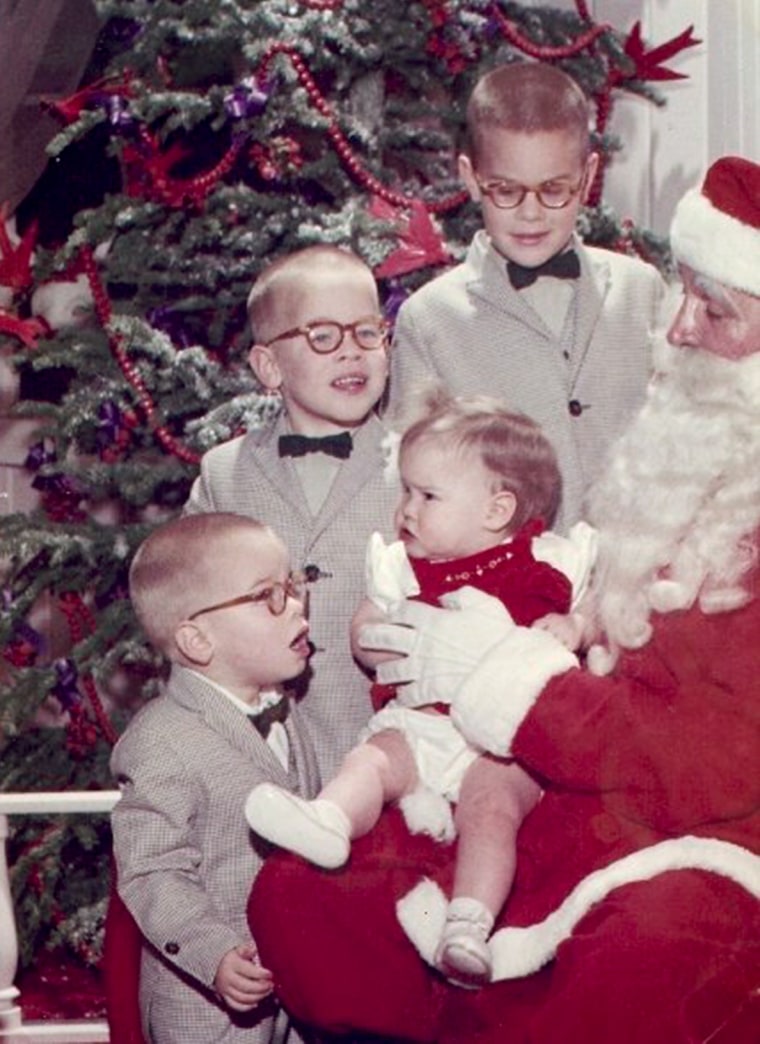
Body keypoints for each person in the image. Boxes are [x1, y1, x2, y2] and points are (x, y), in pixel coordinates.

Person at [247, 156, 760, 1043]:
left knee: (643, 962)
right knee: (305, 898)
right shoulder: (698, 457)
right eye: (683, 294)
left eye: (715, 312)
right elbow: (599, 616)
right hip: (579, 786)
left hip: (711, 827)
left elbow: (717, 759)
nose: (676, 331)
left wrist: (510, 679)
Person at [245, 390, 595, 987]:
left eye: (427, 496)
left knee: (492, 808)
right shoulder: (400, 567)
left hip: (500, 742)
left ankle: (468, 922)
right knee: (372, 763)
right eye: (405, 491)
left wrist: (574, 625)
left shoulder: (548, 563)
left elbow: (596, 621)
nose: (406, 509)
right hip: (421, 723)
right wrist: (370, 638)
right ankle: (328, 820)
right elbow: (364, 629)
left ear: (497, 508)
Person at [389, 61, 667, 531]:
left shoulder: (642, 289)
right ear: (471, 177)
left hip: (637, 577)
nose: (531, 214)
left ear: (588, 175)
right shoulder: (429, 319)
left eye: (554, 189)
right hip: (507, 596)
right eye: (506, 190)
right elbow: (411, 486)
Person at [184, 244, 398, 778]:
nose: (351, 352)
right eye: (323, 336)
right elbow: (187, 607)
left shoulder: (419, 468)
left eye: (367, 333)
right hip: (260, 769)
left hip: (388, 759)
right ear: (269, 366)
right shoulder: (223, 473)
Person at [110, 512, 320, 1044]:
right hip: (209, 1010)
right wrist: (215, 952)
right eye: (268, 595)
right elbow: (152, 872)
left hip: (298, 992)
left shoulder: (290, 715)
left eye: (293, 587)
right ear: (198, 640)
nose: (295, 606)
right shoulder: (161, 740)